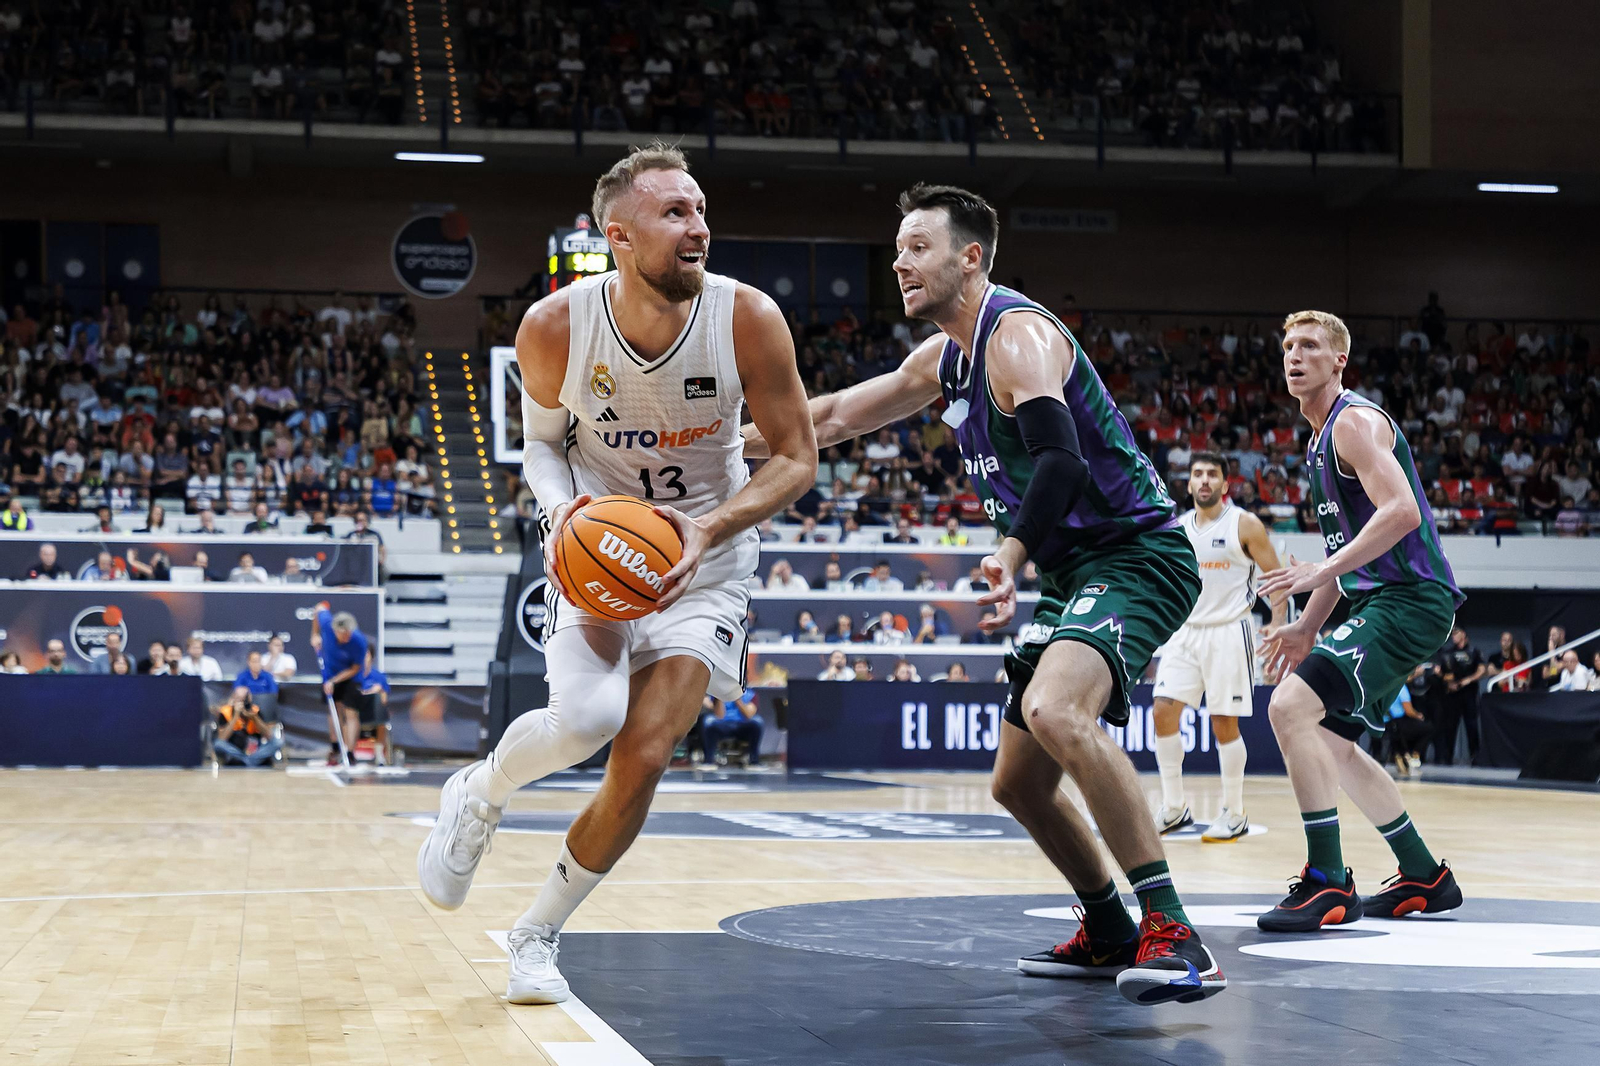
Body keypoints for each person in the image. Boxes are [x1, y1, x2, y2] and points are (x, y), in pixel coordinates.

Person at [744, 183, 1220, 1005]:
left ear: (970, 258)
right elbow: (835, 416)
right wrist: (717, 444)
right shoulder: (945, 357)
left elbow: (1062, 461)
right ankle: (1109, 927)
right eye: (898, 249)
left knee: (1057, 711)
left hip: (1136, 555)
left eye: (917, 248)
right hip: (1076, 572)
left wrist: (1008, 552)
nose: (900, 263)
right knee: (1018, 784)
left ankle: (1176, 933)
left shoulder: (1019, 337)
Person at [417, 143, 816, 1007]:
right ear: (620, 236)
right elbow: (539, 446)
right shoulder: (554, 326)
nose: (697, 227)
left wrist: (707, 528)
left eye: (700, 210)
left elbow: (796, 458)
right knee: (587, 721)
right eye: (675, 213)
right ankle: (479, 793)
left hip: (707, 562)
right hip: (602, 547)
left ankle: (535, 934)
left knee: (643, 755)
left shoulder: (748, 318)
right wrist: (564, 512)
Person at [1255, 310, 1465, 933]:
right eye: (1288, 346)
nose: (1295, 356)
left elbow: (1401, 511)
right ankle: (1425, 874)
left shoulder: (1354, 422)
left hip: (1413, 599)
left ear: (1339, 360)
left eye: (1310, 346)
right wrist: (1306, 626)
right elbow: (1347, 552)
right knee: (1330, 743)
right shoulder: (1319, 441)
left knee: (1289, 707)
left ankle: (1327, 881)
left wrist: (1319, 574)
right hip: (1384, 601)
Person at [1150, 451, 1285, 843]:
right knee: (1162, 712)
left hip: (1229, 630)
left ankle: (1234, 812)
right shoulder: (1177, 528)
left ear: (1226, 484)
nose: (1204, 480)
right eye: (1198, 474)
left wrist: (1278, 624)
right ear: (1189, 483)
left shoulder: (1245, 524)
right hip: (1185, 632)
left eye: (1212, 474)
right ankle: (1174, 807)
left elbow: (1275, 577)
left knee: (1223, 722)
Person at [313, 607, 370, 765]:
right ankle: (335, 749)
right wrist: (314, 634)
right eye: (343, 634)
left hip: (351, 677)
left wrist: (334, 681)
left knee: (351, 713)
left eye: (349, 633)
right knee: (334, 711)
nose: (346, 637)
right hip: (330, 673)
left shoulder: (359, 641)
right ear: (335, 630)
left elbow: (355, 668)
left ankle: (350, 753)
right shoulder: (327, 624)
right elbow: (319, 608)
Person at [1432, 627, 1485, 765]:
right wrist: (1446, 680)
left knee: (1471, 726)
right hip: (1452, 695)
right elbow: (1442, 672)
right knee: (1450, 726)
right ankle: (1447, 757)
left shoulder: (1474, 651)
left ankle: (1475, 757)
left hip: (1469, 693)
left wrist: (1468, 680)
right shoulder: (1447, 653)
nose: (1453, 636)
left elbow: (1481, 670)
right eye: (1452, 634)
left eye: (1456, 633)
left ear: (1463, 634)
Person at [213, 687, 282, 767]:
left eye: (244, 700)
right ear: (233, 699)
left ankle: (246, 762)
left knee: (277, 742)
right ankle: (249, 761)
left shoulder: (255, 710)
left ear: (249, 699)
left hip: (255, 751)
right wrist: (235, 716)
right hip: (235, 750)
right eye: (239, 700)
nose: (242, 704)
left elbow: (268, 735)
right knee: (218, 744)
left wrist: (254, 718)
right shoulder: (226, 712)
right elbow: (221, 738)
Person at [700, 685, 763, 765]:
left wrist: (736, 698)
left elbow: (748, 715)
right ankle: (709, 760)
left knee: (758, 721)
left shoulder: (750, 694)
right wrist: (720, 696)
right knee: (708, 721)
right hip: (723, 724)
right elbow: (719, 716)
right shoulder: (717, 694)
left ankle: (754, 760)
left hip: (743, 725)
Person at [1386, 674, 1433, 777]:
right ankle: (1414, 754)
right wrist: (1418, 715)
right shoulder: (1401, 688)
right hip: (1397, 722)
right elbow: (1408, 710)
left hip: (1386, 722)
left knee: (1413, 728)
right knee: (1428, 728)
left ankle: (1402, 754)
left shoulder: (1387, 686)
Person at [358, 647, 393, 764]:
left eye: (366, 655)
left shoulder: (379, 676)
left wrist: (379, 691)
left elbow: (384, 700)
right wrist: (368, 692)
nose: (363, 658)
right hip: (356, 713)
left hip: (374, 713)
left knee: (382, 719)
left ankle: (379, 755)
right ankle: (347, 752)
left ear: (372, 658)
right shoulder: (353, 676)